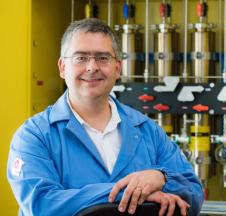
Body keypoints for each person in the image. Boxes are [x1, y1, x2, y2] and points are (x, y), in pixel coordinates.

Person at [7, 18, 204, 216]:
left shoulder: (146, 129)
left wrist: (161, 177)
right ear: (62, 67)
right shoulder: (34, 135)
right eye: (81, 58)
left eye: (102, 58)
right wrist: (129, 193)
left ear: (117, 67)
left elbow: (194, 193)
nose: (92, 67)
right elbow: (42, 205)